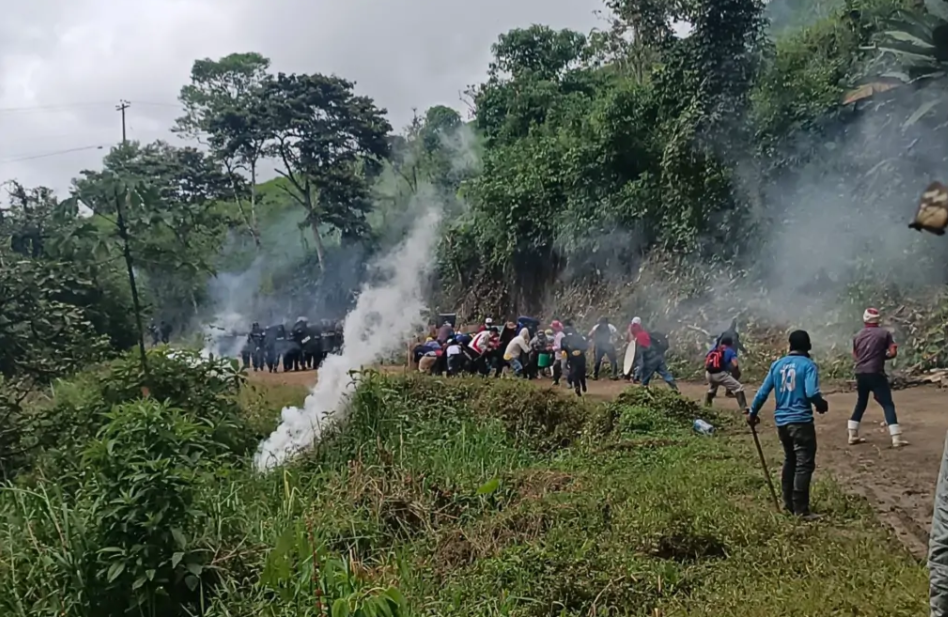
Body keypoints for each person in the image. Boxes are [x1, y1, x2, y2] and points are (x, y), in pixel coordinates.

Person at [748, 330, 828, 519]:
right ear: (808, 347)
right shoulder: (808, 365)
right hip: (801, 421)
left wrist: (752, 413)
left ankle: (788, 504)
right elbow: (811, 392)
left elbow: (762, 392)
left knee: (790, 460)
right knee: (804, 464)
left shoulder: (777, 365)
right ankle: (801, 509)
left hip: (782, 422)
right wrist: (821, 405)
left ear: (789, 346)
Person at [848, 307, 908, 447]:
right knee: (887, 403)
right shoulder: (884, 334)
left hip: (860, 373)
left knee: (861, 402)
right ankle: (896, 437)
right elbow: (892, 353)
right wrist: (882, 356)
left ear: (864, 319)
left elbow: (855, 355)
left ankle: (852, 434)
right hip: (876, 372)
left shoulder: (858, 335)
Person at [704, 335, 747, 411]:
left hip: (708, 374)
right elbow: (735, 364)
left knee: (713, 387)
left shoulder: (714, 349)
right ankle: (744, 408)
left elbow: (707, 358)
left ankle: (707, 405)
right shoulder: (730, 351)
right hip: (719, 374)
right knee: (738, 387)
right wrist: (734, 371)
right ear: (730, 343)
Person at [561, 322, 589, 396]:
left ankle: (577, 386)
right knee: (582, 372)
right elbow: (586, 346)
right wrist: (580, 351)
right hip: (581, 358)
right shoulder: (580, 337)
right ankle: (583, 384)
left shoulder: (564, 339)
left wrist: (566, 361)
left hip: (571, 358)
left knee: (574, 372)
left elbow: (563, 351)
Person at [627, 317, 652, 382]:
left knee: (636, 363)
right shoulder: (636, 328)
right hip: (639, 347)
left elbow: (630, 337)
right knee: (641, 364)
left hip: (635, 347)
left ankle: (633, 376)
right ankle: (635, 377)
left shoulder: (631, 327)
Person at [551, 320, 569, 387]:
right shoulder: (557, 334)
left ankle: (568, 382)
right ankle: (556, 380)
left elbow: (560, 347)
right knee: (556, 366)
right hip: (559, 354)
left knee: (563, 367)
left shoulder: (560, 335)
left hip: (562, 354)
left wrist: (552, 348)